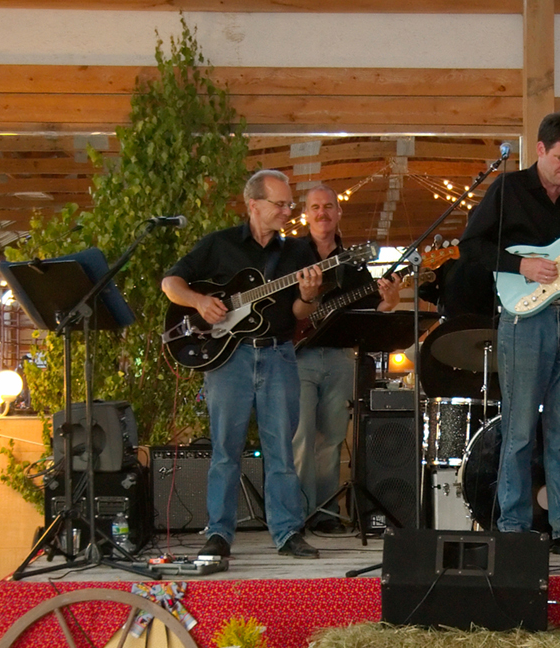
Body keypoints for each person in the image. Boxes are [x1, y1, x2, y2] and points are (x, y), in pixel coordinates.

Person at [458, 110, 560, 556]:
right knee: (520, 429)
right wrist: (521, 264)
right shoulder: (507, 190)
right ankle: (512, 527)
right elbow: (471, 246)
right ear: (540, 149)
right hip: (525, 320)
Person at [161, 169, 326, 561]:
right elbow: (171, 283)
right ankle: (219, 534)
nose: (288, 211)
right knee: (225, 450)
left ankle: (287, 532)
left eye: (289, 204)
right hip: (228, 358)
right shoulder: (218, 245)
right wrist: (199, 302)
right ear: (254, 205)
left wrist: (310, 293)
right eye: (280, 204)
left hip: (279, 354)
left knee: (281, 451)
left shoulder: (298, 253)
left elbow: (302, 312)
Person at [295, 184, 400, 533]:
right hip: (299, 355)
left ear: (338, 213)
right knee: (300, 437)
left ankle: (324, 515)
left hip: (340, 357)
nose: (322, 213)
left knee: (331, 439)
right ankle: (297, 516)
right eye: (315, 207)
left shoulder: (354, 263)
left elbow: (371, 309)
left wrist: (389, 299)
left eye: (329, 206)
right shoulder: (292, 256)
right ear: (305, 215)